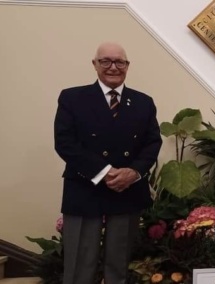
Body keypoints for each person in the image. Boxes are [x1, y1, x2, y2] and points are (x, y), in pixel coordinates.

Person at [54, 42, 162, 284]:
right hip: (84, 186)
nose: (113, 67)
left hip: (127, 189)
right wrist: (104, 172)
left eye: (119, 62)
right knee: (79, 269)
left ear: (127, 66)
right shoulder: (72, 97)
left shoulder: (144, 102)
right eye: (106, 61)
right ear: (95, 64)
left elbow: (152, 143)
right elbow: (65, 143)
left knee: (119, 266)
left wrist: (133, 172)